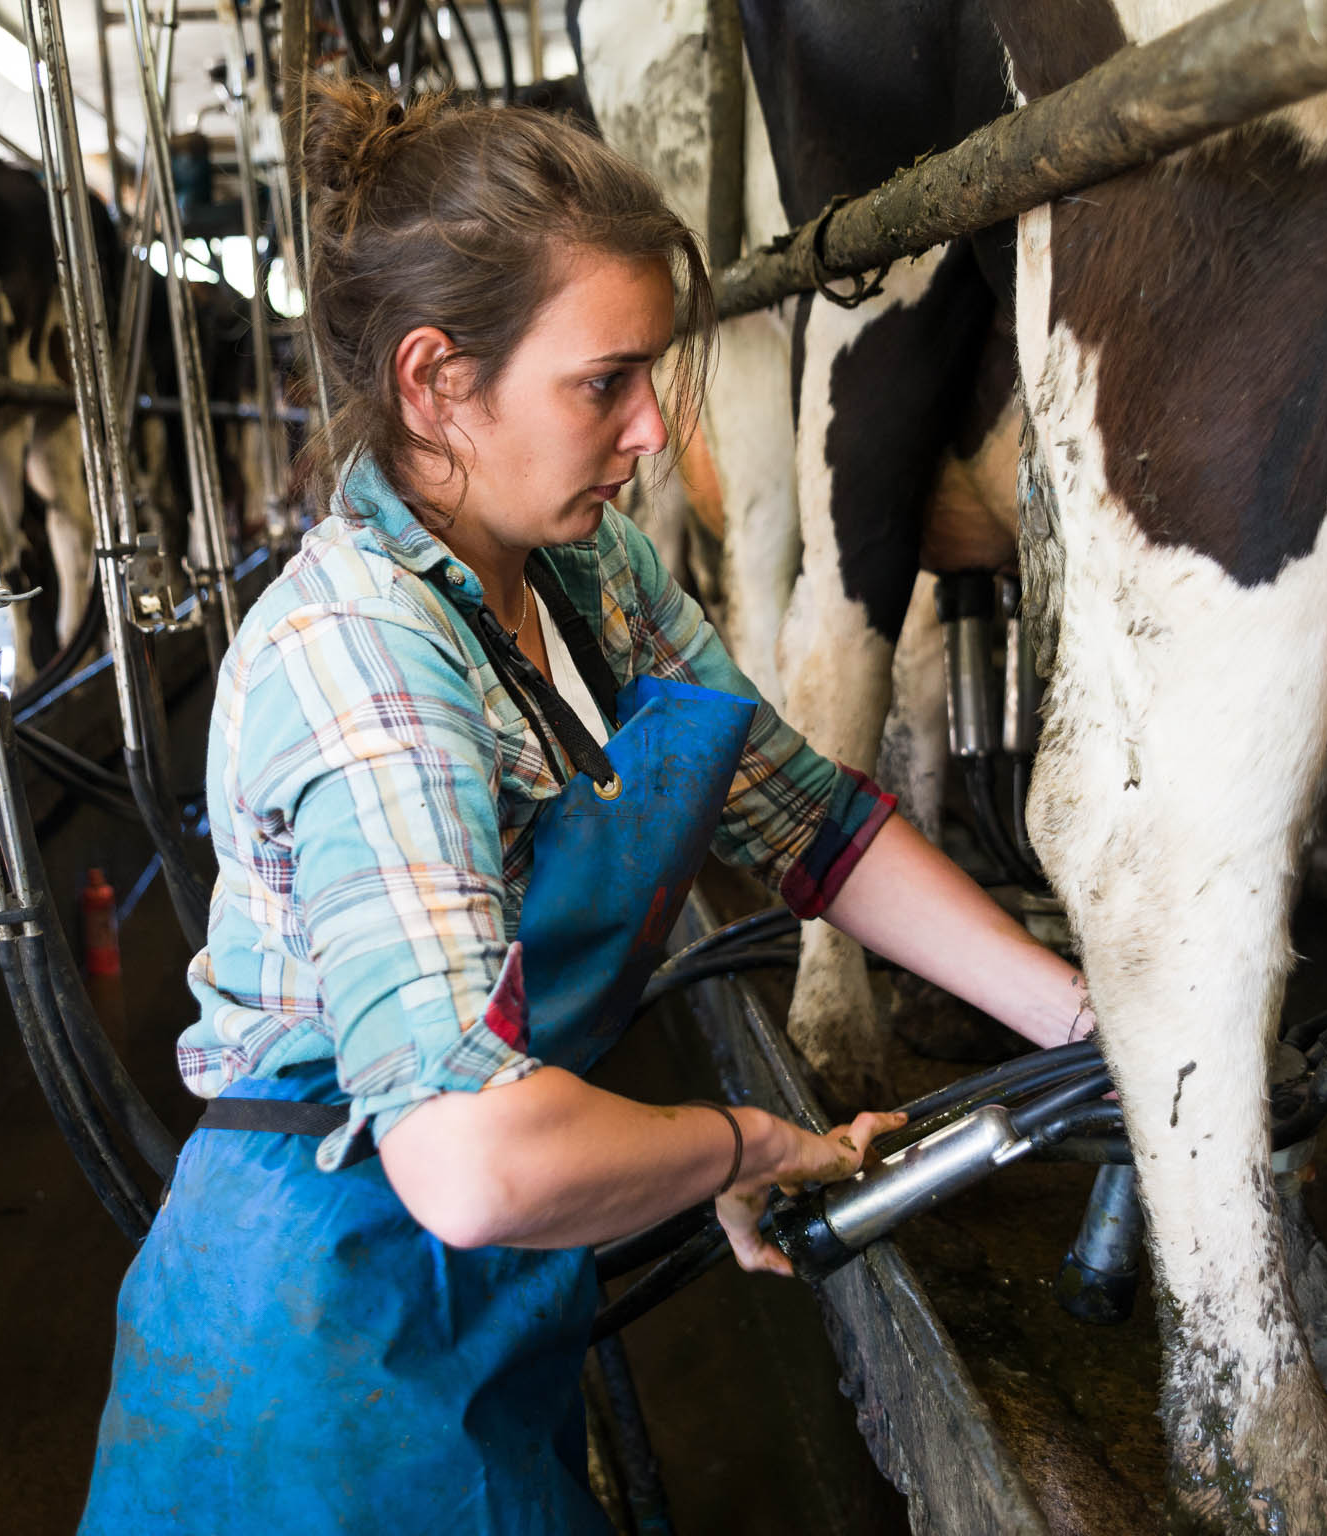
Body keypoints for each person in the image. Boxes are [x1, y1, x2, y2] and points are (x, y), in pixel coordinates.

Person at [79, 80, 1094, 1535]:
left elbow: (803, 820)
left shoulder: (589, 570)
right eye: (602, 382)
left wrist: (1081, 1024)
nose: (642, 436)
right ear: (436, 381)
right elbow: (477, 1164)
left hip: (483, 1286)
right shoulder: (363, 660)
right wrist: (742, 1145)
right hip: (317, 1342)